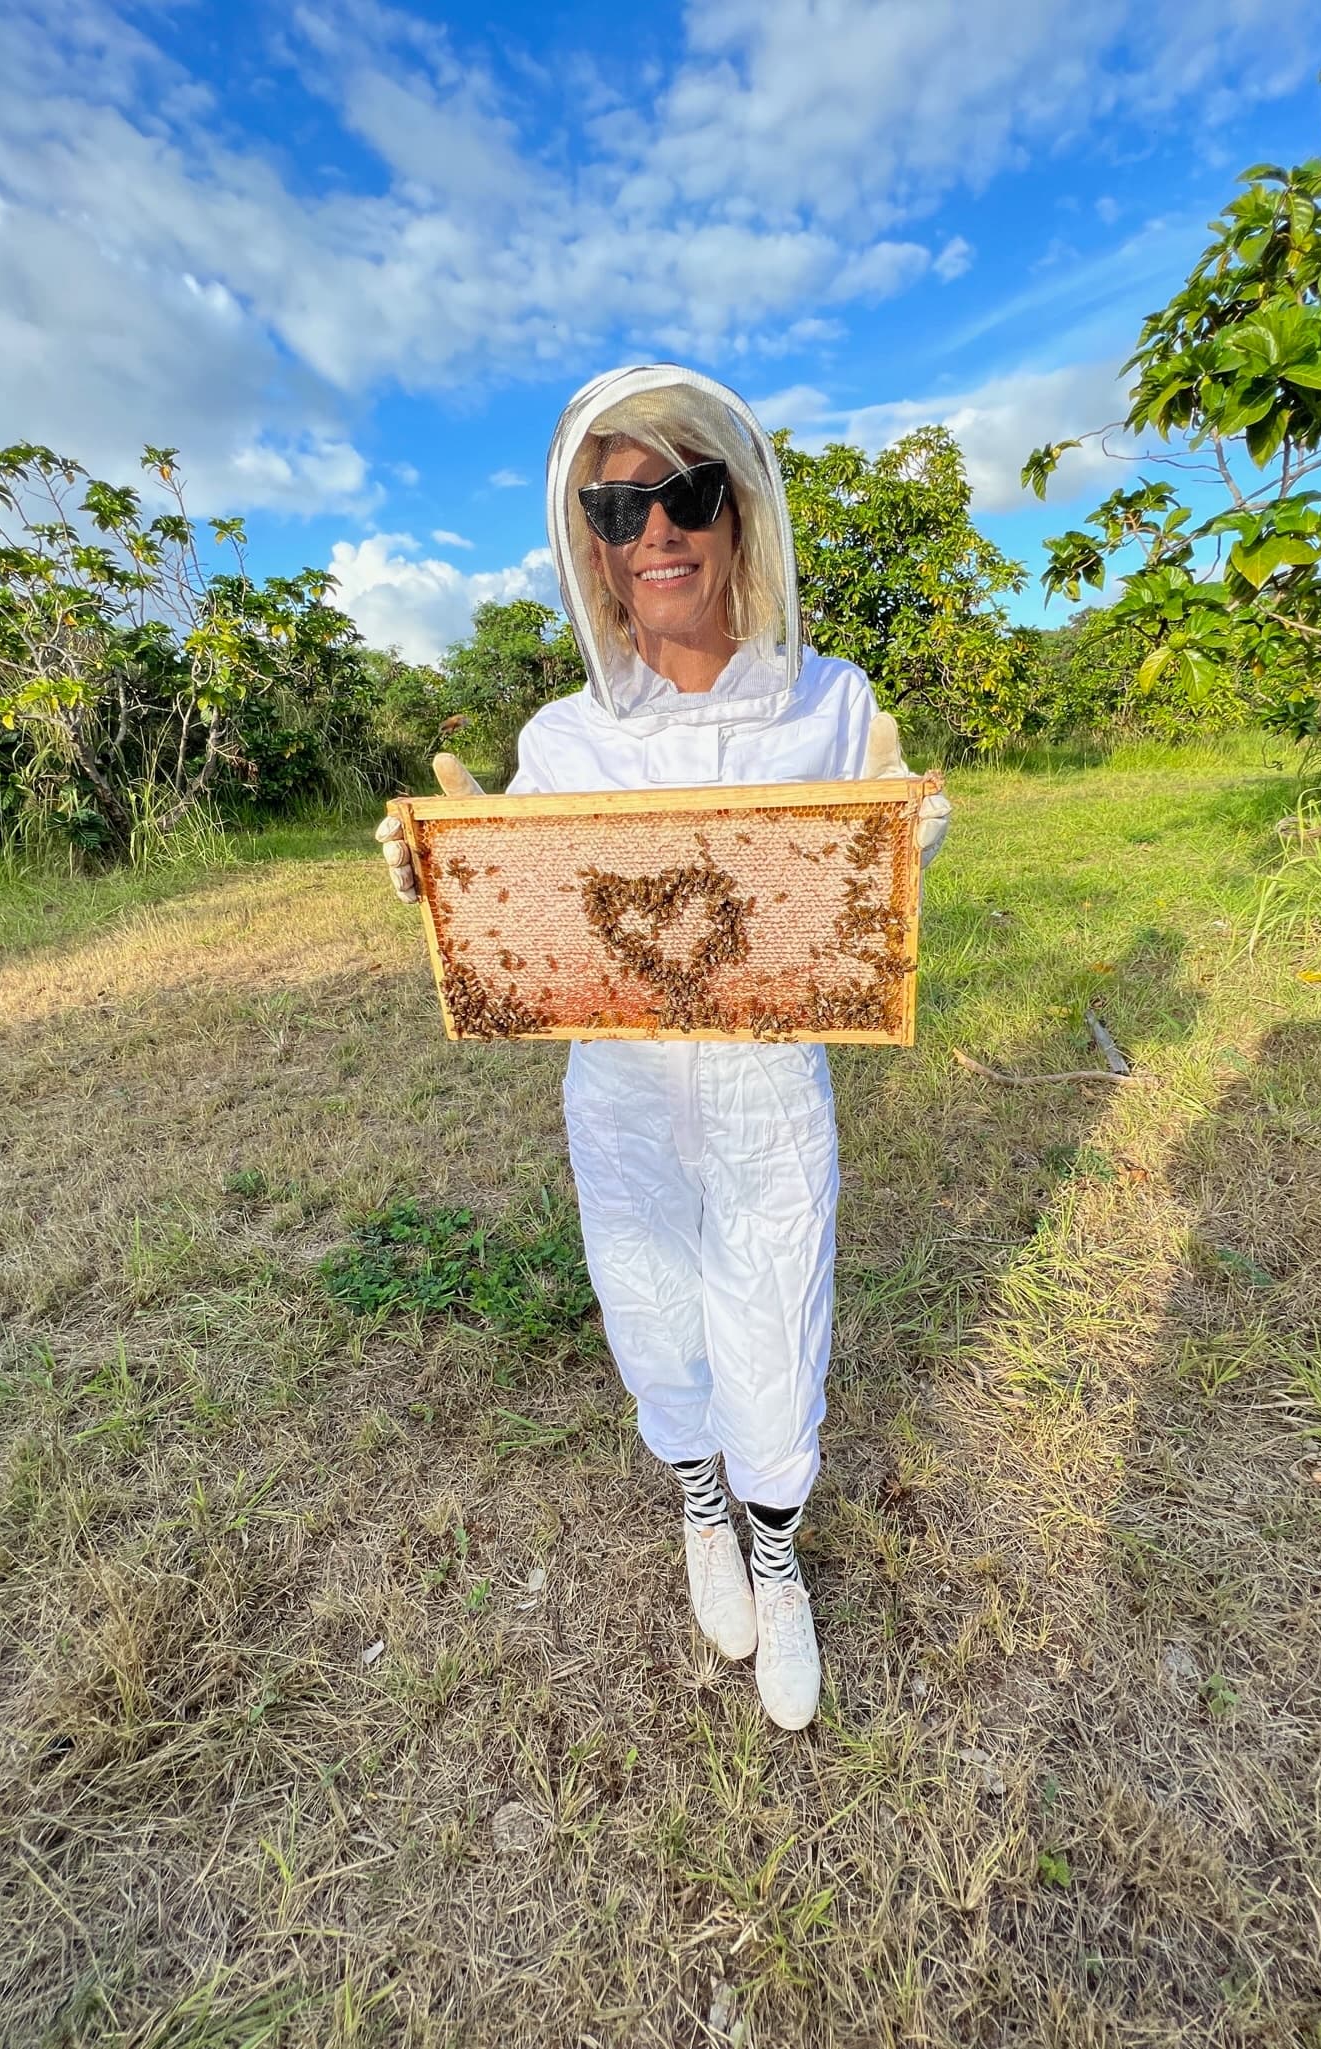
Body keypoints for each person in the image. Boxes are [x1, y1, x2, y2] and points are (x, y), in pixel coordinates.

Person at [376, 366, 948, 1729]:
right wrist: (438, 870)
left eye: (684, 495)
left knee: (775, 1300)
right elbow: (523, 883)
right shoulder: (561, 739)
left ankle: (773, 1541)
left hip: (769, 1089)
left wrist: (901, 831)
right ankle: (702, 1501)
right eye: (620, 507)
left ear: (736, 515)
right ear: (592, 542)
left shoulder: (827, 700)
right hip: (623, 1092)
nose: (657, 533)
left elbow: (856, 860)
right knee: (651, 1296)